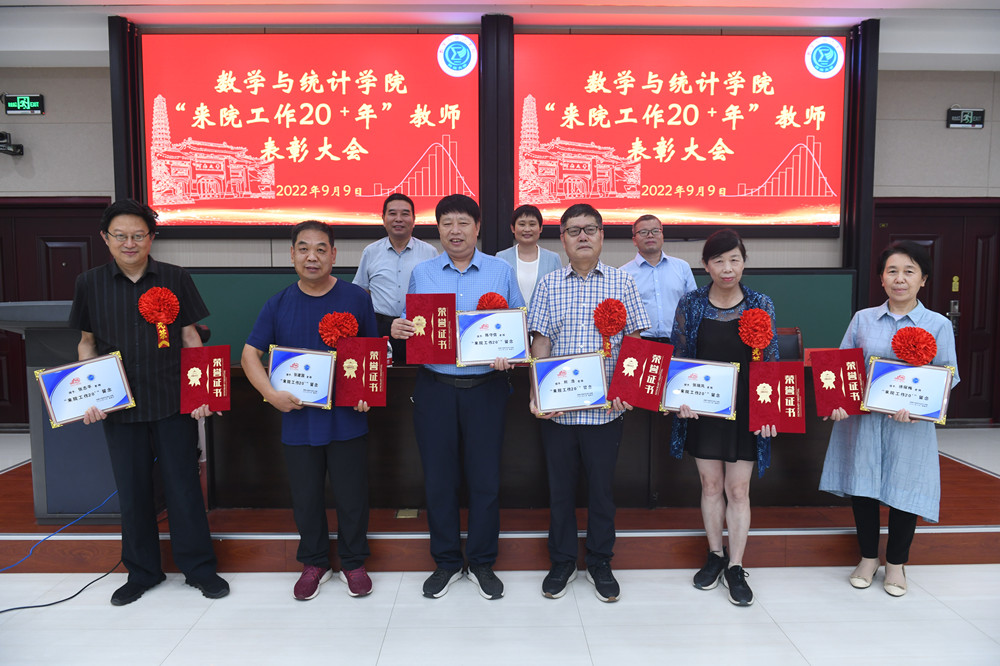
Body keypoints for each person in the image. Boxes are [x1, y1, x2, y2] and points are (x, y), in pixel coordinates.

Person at [70, 198, 228, 606]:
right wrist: (91, 394)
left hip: (172, 401)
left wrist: (201, 396)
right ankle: (142, 573)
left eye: (138, 235)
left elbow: (191, 337)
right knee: (133, 492)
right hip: (119, 407)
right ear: (105, 238)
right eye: (120, 236)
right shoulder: (89, 283)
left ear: (151, 238)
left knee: (183, 488)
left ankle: (199, 569)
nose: (130, 243)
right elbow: (86, 344)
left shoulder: (175, 277)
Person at [390, 194, 525, 601]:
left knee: (485, 480)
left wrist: (510, 353)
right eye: (446, 223)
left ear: (477, 228)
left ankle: (482, 561)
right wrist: (400, 329)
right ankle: (447, 561)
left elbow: (517, 325)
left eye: (463, 222)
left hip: (486, 389)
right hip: (435, 388)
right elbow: (414, 326)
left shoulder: (501, 271)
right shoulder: (423, 273)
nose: (455, 231)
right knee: (439, 480)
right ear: (438, 229)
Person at [242, 221, 379, 600]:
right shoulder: (278, 303)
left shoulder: (356, 298)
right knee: (306, 496)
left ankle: (353, 562)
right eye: (304, 249)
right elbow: (249, 355)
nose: (312, 257)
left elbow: (372, 353)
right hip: (299, 419)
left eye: (321, 249)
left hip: (347, 418)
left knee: (352, 495)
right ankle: (315, 562)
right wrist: (270, 394)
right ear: (292, 255)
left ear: (334, 255)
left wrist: (367, 391)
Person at [819, 240, 959, 597]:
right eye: (892, 271)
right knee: (863, 487)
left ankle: (896, 563)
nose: (900, 279)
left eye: (909, 271)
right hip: (864, 423)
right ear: (881, 279)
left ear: (923, 279)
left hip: (910, 426)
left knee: (905, 489)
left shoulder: (938, 324)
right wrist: (838, 402)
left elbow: (948, 376)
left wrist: (920, 408)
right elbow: (843, 366)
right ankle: (868, 558)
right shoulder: (863, 319)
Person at [527, 203, 650, 603]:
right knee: (560, 491)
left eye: (590, 229)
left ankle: (599, 561)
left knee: (601, 492)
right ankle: (562, 562)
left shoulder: (623, 282)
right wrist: (537, 394)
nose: (583, 236)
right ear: (562, 239)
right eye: (574, 230)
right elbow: (540, 343)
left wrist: (629, 390)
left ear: (602, 236)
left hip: (606, 413)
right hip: (559, 413)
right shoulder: (548, 284)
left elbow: (635, 343)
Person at [669, 229, 778, 607]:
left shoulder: (760, 303)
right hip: (704, 409)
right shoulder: (691, 303)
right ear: (706, 265)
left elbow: (771, 361)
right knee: (711, 485)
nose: (727, 268)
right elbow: (678, 356)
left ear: (744, 262)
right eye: (718, 260)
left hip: (746, 410)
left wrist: (768, 411)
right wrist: (679, 399)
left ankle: (736, 565)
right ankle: (715, 555)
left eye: (734, 259)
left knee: (738, 490)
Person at [353, 193, 438, 364]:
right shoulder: (371, 251)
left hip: (417, 327)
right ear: (383, 219)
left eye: (405, 214)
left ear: (414, 219)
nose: (398, 219)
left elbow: (438, 293)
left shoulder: (430, 252)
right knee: (380, 376)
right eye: (392, 213)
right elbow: (361, 291)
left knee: (416, 376)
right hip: (379, 328)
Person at [619, 214, 696, 344]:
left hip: (677, 342)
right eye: (643, 232)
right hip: (639, 342)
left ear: (662, 236)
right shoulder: (623, 273)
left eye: (655, 231)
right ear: (634, 240)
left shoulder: (682, 267)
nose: (650, 235)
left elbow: (693, 306)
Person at [496, 204, 562, 306]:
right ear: (513, 228)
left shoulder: (553, 259)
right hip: (511, 315)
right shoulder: (502, 257)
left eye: (532, 224)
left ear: (540, 228)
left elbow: (558, 293)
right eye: (522, 224)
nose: (527, 229)